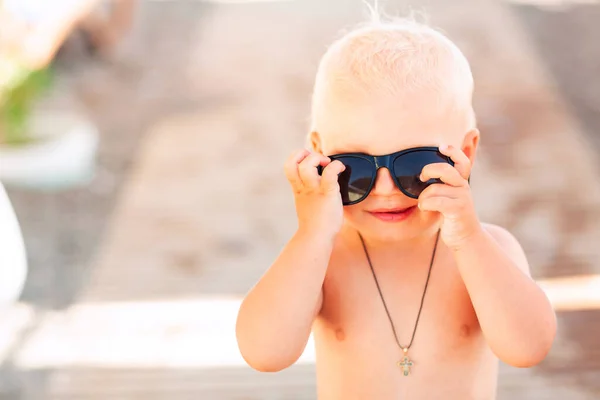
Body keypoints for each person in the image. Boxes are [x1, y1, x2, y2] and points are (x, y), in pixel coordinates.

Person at [236, 13, 556, 399]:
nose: (385, 189)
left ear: (465, 152)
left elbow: (528, 347)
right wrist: (311, 235)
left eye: (413, 165)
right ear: (320, 156)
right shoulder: (323, 257)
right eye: (355, 167)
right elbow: (264, 353)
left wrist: (469, 238)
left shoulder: (490, 249)